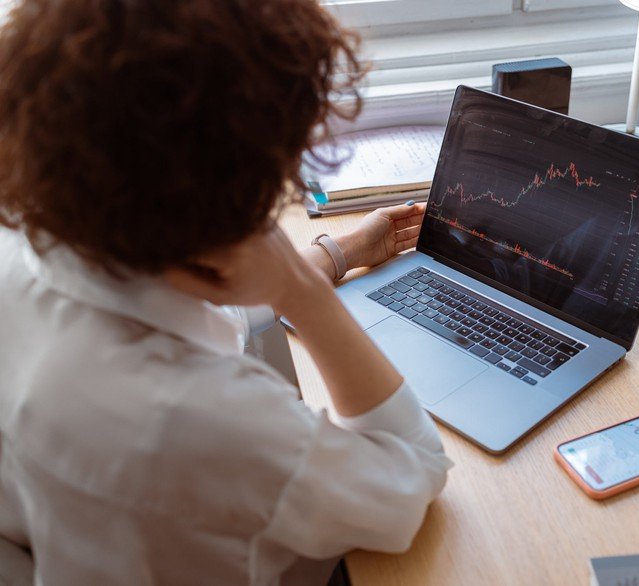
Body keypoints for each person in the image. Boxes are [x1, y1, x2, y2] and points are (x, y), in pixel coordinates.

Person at [0, 0, 451, 584]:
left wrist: (334, 256)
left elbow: (169, 306)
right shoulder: (195, 417)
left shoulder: (24, 245)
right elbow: (414, 474)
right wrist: (300, 293)